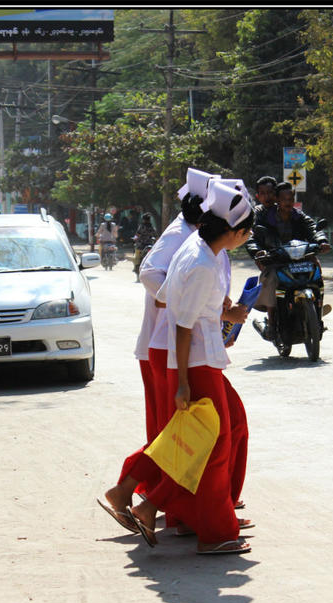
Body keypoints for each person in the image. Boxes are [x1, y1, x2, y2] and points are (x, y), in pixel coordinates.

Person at [99, 169, 248, 535]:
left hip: (189, 349)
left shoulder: (201, 244)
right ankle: (183, 512)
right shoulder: (191, 245)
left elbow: (187, 303)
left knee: (192, 435)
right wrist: (189, 305)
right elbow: (165, 293)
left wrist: (213, 312)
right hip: (179, 350)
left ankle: (150, 499)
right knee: (198, 438)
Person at [246, 181, 331, 340]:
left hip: (300, 257)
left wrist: (321, 241)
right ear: (277, 200)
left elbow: (312, 228)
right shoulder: (264, 217)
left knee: (316, 267)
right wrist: (258, 251)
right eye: (284, 199)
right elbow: (253, 237)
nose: (288, 202)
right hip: (276, 259)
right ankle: (272, 323)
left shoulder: (298, 216)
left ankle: (317, 306)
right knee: (271, 279)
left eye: (291, 199)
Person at [132, 213, 158, 279]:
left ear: (143, 220)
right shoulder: (152, 227)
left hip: (141, 246)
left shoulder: (141, 226)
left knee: (137, 258)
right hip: (150, 245)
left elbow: (137, 235)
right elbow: (156, 236)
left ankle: (136, 268)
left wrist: (134, 239)